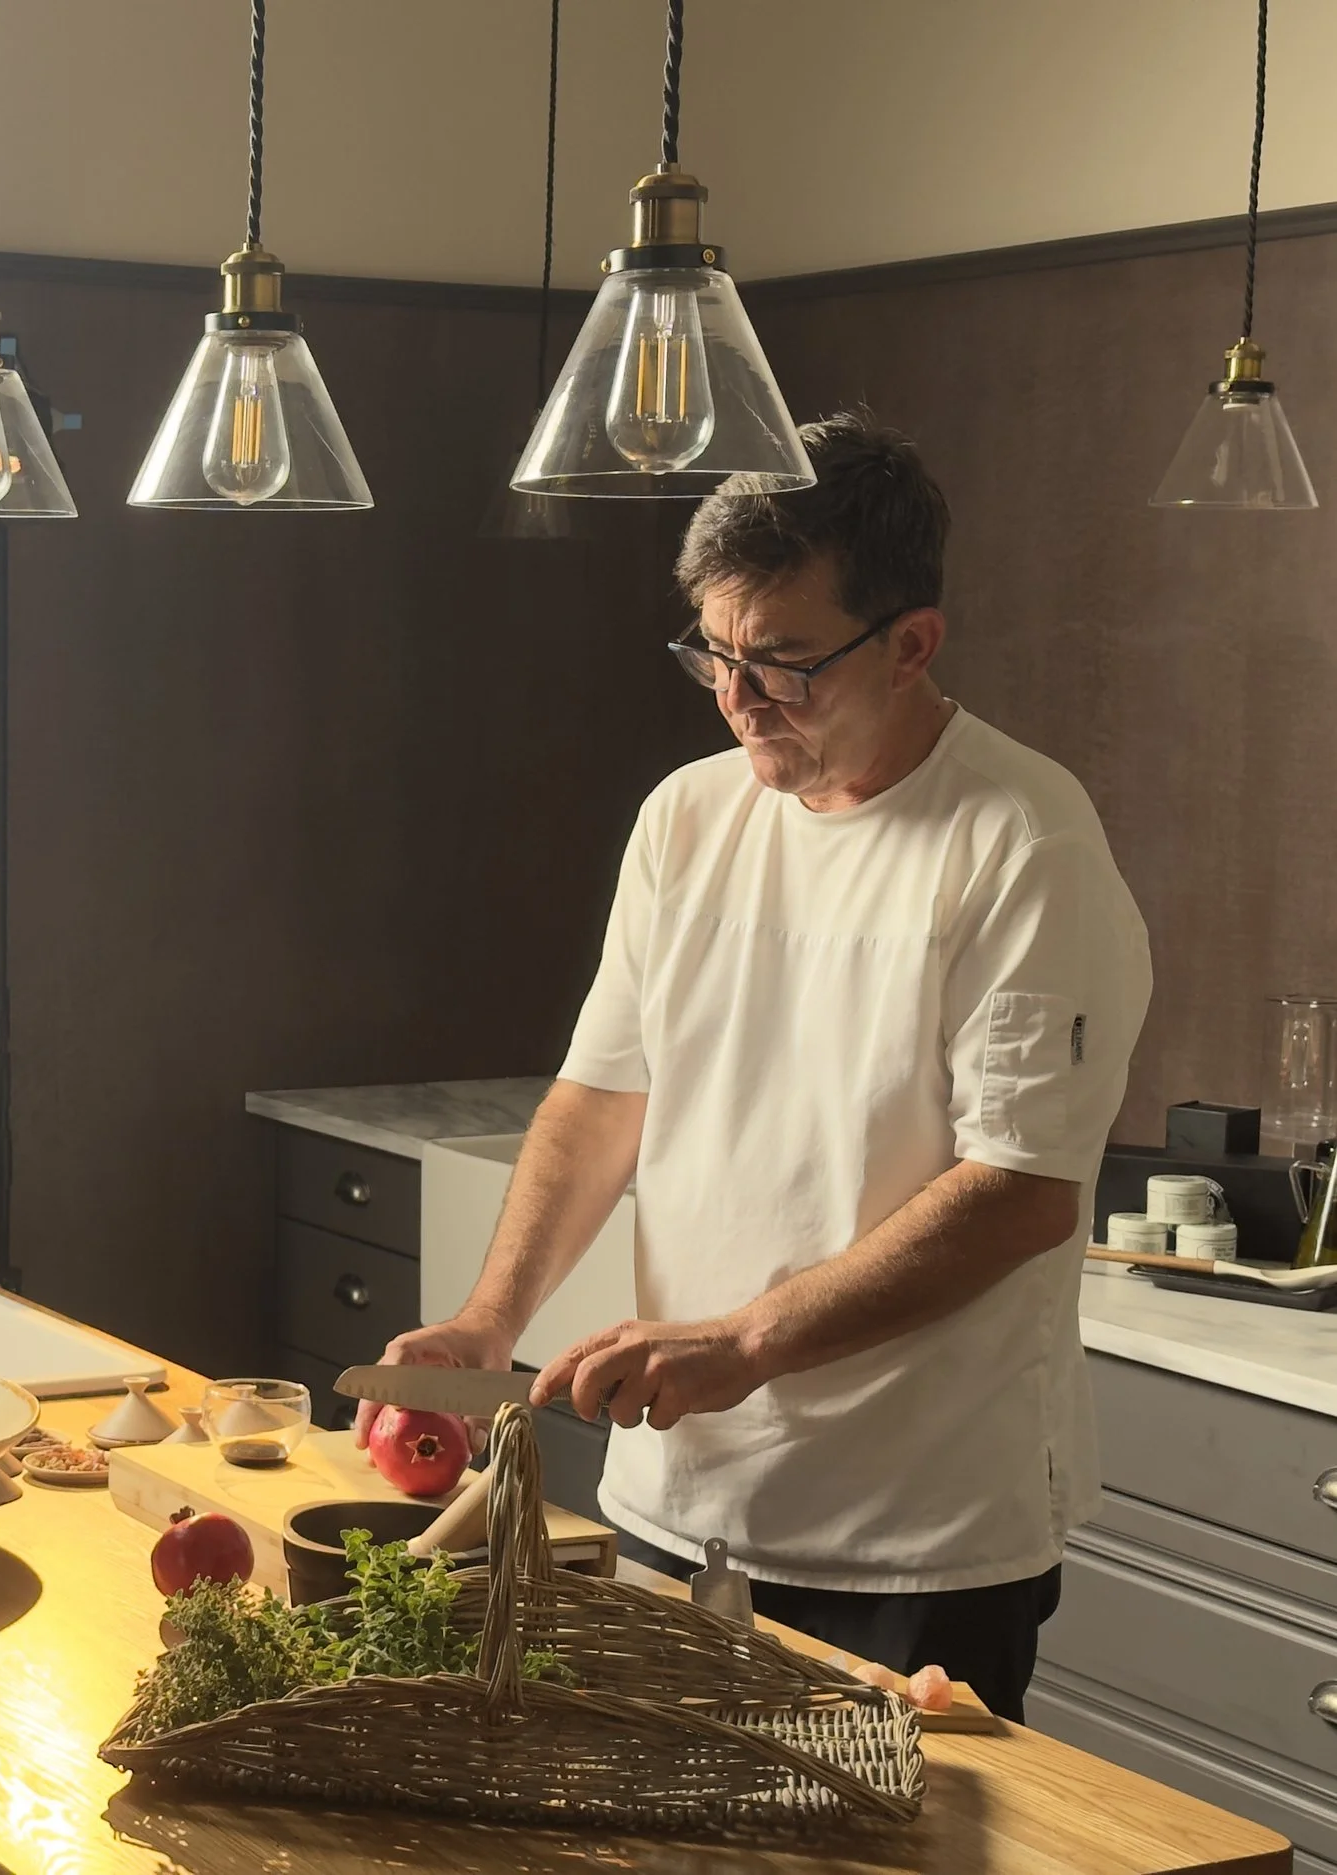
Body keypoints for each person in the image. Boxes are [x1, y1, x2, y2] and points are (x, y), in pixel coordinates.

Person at [376, 412, 1150, 1720]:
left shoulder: (1022, 841)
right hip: (674, 1495)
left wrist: (748, 1337)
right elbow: (602, 1095)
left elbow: (1019, 1189)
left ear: (912, 643)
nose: (737, 696)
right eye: (713, 652)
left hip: (911, 1535)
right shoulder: (687, 816)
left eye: (782, 661)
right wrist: (489, 1317)